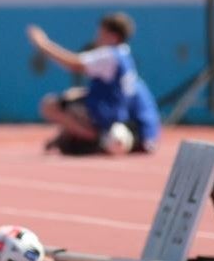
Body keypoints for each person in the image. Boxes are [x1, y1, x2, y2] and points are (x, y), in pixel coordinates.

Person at [27, 12, 161, 156]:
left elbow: (74, 64)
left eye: (101, 33)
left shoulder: (109, 55)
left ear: (113, 36)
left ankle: (97, 138)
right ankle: (80, 138)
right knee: (72, 100)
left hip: (105, 114)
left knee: (50, 105)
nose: (97, 37)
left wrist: (43, 44)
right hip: (116, 113)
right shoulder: (125, 56)